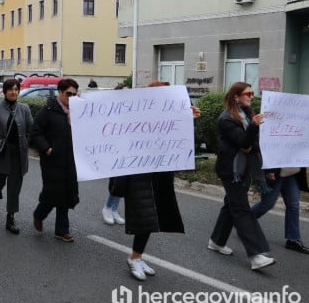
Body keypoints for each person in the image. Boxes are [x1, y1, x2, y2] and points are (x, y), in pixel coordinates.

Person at [112, 80, 200, 281]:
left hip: (159, 174)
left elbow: (179, 140)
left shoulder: (167, 117)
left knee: (153, 218)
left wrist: (189, 120)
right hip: (138, 175)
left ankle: (137, 255)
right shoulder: (137, 118)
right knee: (145, 217)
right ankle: (134, 258)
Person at [208, 82, 275, 271]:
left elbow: (254, 144)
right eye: (248, 94)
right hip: (231, 171)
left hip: (244, 169)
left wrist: (266, 164)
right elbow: (245, 143)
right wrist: (253, 128)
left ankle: (216, 241)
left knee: (231, 205)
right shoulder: (226, 119)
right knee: (242, 209)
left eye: (253, 94)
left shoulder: (248, 114)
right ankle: (256, 255)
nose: (251, 97)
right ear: (236, 97)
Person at [31, 79, 80, 242]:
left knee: (66, 193)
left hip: (69, 160)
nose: (71, 97)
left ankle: (61, 230)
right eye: (68, 94)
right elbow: (36, 132)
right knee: (52, 192)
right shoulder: (49, 110)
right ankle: (39, 214)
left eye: (74, 94)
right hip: (52, 160)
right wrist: (47, 148)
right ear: (60, 92)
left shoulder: (78, 110)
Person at [0, 78, 33, 234]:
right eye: (11, 89)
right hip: (1, 152)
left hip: (19, 154)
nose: (14, 92)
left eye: (16, 89)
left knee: (14, 188)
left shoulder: (24, 108)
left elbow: (32, 127)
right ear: (5, 91)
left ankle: (10, 218)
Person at [252, 167, 309, 254]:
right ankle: (243, 223)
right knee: (267, 204)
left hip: (293, 172)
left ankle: (293, 239)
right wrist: (268, 170)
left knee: (293, 205)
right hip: (275, 171)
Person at [101, 83, 129, 226]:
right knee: (116, 183)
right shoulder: (111, 110)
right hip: (114, 152)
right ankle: (107, 208)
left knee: (123, 183)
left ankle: (114, 209)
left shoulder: (130, 110)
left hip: (127, 152)